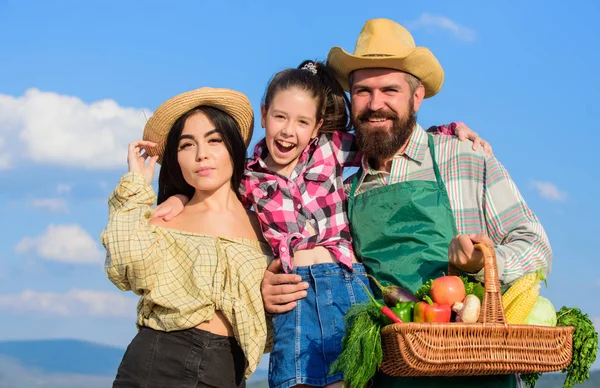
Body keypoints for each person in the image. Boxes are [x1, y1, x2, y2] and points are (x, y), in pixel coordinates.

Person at [154, 60, 490, 388]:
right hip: (295, 292)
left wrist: (449, 131)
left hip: (346, 284)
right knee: (295, 379)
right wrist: (180, 199)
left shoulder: (332, 149)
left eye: (302, 122)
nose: (288, 131)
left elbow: (391, 139)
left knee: (351, 379)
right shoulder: (247, 179)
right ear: (265, 114)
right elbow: (213, 196)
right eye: (280, 117)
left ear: (316, 127)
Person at [262, 18, 552, 388]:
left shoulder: (463, 159)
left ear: (416, 97)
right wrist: (271, 286)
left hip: (473, 374)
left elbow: (536, 246)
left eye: (390, 90)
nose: (375, 104)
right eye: (364, 91)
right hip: (382, 376)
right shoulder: (338, 178)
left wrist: (484, 264)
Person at [100, 87, 273, 388]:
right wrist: (136, 186)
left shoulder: (267, 223)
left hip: (229, 371)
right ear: (176, 159)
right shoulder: (165, 219)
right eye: (186, 145)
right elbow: (126, 268)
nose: (201, 154)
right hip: (157, 361)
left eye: (214, 140)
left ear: (233, 146)